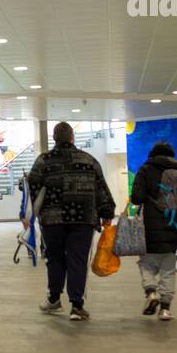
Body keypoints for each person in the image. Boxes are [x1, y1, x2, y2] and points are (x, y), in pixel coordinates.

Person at [24, 122, 115, 322]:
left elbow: (33, 188)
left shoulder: (43, 161)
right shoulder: (89, 160)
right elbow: (101, 188)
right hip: (83, 219)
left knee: (54, 258)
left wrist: (30, 216)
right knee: (77, 259)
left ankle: (54, 298)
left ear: (54, 138)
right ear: (72, 137)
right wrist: (107, 212)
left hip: (52, 220)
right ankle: (77, 306)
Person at [129, 141, 177, 321]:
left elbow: (137, 198)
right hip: (175, 227)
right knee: (170, 269)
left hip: (150, 228)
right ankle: (165, 309)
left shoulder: (146, 169)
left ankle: (151, 291)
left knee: (146, 263)